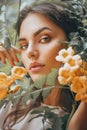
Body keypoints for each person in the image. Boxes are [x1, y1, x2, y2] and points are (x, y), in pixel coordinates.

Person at [0, 1, 87, 130]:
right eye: (24, 45)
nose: (29, 52)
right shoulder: (11, 109)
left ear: (74, 43)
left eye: (44, 38)